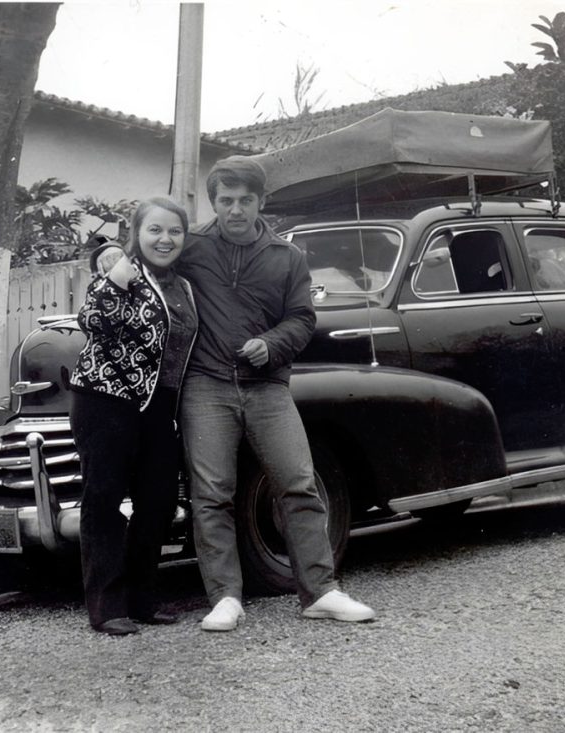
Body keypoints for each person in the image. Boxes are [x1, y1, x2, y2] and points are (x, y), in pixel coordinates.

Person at [177, 156, 375, 631]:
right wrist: (109, 254)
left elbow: (302, 318)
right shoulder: (191, 246)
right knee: (212, 494)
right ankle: (225, 598)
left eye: (246, 200)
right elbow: (149, 250)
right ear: (214, 202)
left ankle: (320, 592)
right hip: (206, 385)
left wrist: (272, 343)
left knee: (299, 483)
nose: (236, 210)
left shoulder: (287, 257)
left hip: (267, 386)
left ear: (261, 201)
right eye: (226, 200)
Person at [69, 196, 197, 636]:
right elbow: (91, 319)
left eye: (175, 231)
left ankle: (143, 601)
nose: (165, 239)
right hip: (106, 398)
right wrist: (116, 273)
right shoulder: (123, 271)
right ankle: (107, 607)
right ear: (136, 234)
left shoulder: (183, 285)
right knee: (104, 498)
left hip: (159, 404)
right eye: (154, 230)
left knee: (158, 500)